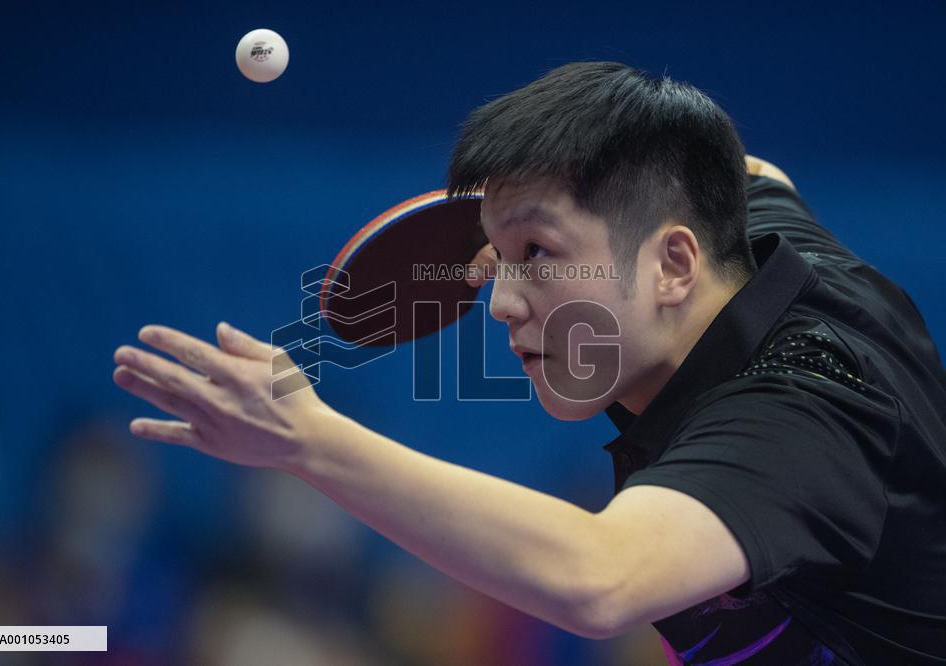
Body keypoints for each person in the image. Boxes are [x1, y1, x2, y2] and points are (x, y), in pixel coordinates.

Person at [113, 62, 946, 664]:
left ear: (674, 265)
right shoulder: (764, 243)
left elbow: (599, 579)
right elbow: (749, 168)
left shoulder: (803, 408)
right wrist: (520, 236)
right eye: (496, 261)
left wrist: (307, 441)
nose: (500, 302)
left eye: (540, 254)